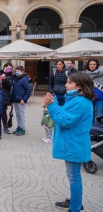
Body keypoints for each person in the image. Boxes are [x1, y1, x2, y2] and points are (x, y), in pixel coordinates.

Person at [43, 72, 94, 212]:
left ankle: (75, 207)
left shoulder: (80, 102)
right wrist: (52, 105)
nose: (66, 85)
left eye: (70, 82)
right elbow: (65, 114)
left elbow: (65, 120)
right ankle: (75, 202)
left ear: (79, 86)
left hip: (74, 144)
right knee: (73, 175)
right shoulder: (75, 99)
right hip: (73, 143)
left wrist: (52, 106)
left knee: (74, 176)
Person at [11, 66, 32, 136]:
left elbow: (29, 90)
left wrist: (24, 99)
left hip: (21, 100)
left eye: (18, 71)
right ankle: (19, 127)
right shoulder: (16, 79)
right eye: (16, 71)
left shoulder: (24, 80)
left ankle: (22, 128)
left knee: (21, 114)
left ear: (22, 72)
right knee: (17, 114)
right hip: (16, 99)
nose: (17, 72)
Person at [0, 63, 13, 134]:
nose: (9, 69)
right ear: (4, 67)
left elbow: (9, 85)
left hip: (5, 95)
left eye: (10, 68)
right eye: (8, 67)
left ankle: (5, 126)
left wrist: (4, 79)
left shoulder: (10, 77)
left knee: (3, 111)